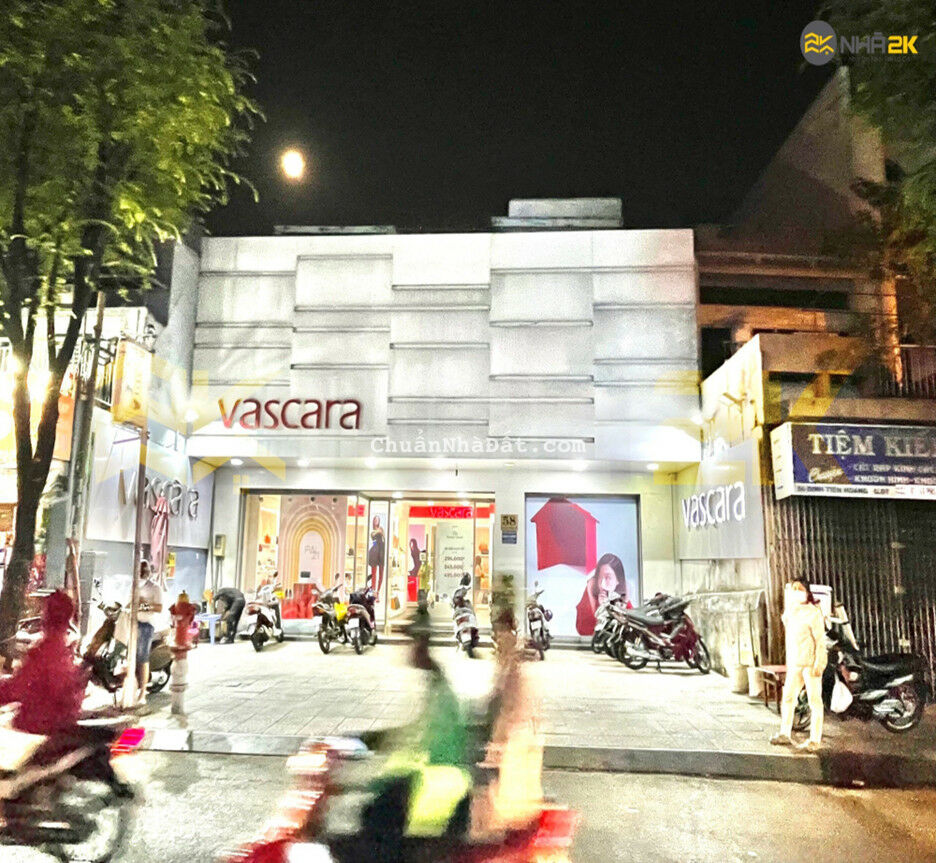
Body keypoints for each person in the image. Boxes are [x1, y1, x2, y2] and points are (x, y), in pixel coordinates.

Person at [0, 590, 87, 736]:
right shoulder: (64, 652)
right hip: (58, 727)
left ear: (47, 617)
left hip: (37, 728)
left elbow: (16, 689)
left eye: (44, 611)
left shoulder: (44, 652)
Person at [771, 577, 827, 753]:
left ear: (807, 592)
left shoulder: (814, 613)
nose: (797, 592)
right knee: (788, 698)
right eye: (794, 589)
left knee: (814, 702)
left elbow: (820, 641)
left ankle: (815, 740)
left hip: (810, 664)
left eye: (800, 589)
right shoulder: (791, 611)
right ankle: (784, 733)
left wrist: (819, 662)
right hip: (795, 663)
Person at [575, 552, 629, 636]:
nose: (602, 584)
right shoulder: (591, 593)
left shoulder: (624, 600)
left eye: (608, 578)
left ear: (618, 580)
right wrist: (599, 610)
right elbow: (582, 630)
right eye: (600, 577)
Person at [136, 559, 164, 704]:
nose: (142, 572)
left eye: (144, 570)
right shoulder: (135, 585)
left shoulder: (155, 588)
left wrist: (144, 606)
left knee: (142, 657)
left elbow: (159, 607)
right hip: (132, 623)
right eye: (140, 569)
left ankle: (142, 693)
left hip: (146, 624)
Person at [368, 515, 385, 595]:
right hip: (374, 551)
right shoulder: (373, 531)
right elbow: (373, 537)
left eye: (377, 520)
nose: (376, 521)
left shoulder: (381, 529)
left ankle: (378, 591)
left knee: (381, 573)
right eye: (375, 520)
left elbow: (383, 537)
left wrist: (380, 532)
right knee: (374, 573)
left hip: (381, 552)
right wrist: (378, 531)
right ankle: (373, 590)